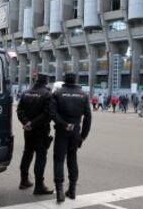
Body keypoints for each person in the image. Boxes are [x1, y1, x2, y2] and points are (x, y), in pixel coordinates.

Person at [50, 73, 92, 203]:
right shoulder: (83, 95)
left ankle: (60, 192)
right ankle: (72, 190)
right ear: (75, 81)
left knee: (58, 160)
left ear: (65, 81)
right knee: (72, 159)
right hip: (75, 131)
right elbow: (88, 117)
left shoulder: (58, 93)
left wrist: (63, 124)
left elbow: (52, 113)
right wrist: (83, 136)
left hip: (62, 130)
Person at [17, 73, 54, 195]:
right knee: (40, 157)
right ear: (46, 81)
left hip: (28, 130)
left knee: (27, 153)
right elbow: (47, 114)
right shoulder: (47, 94)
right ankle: (39, 185)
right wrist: (32, 124)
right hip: (41, 130)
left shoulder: (26, 92)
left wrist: (26, 123)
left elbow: (19, 110)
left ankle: (24, 180)